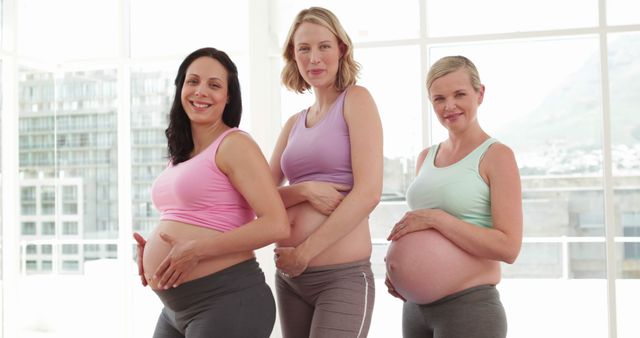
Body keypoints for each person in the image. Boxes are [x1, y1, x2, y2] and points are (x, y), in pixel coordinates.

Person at [132, 47, 289, 338]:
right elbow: (192, 214)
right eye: (193, 81)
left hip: (227, 300)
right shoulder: (180, 155)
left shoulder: (234, 144)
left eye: (214, 85)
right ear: (181, 87)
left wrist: (196, 250)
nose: (200, 91)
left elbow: (276, 223)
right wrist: (152, 248)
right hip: (176, 308)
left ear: (228, 97)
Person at [385, 55, 523, 338]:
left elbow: (509, 247)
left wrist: (437, 219)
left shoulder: (497, 156)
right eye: (439, 98)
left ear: (479, 93)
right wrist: (400, 272)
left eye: (459, 94)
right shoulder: (426, 156)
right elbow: (419, 229)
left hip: (468, 307)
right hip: (413, 307)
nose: (449, 106)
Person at [269, 6, 383, 338]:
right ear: (293, 54)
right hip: (291, 280)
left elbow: (368, 193)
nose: (314, 58)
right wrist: (302, 191)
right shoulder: (293, 124)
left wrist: (303, 252)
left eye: (324, 46)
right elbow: (257, 196)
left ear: (341, 50)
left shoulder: (356, 100)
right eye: (304, 48)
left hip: (342, 277)